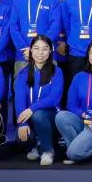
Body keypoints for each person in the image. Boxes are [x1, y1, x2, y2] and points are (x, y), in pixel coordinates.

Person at [12, 35, 63, 166]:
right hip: (30, 117)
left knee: (38, 115)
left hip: (52, 117)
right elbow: (19, 101)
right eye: (36, 48)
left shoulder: (57, 72)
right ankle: (36, 145)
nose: (40, 53)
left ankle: (48, 151)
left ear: (50, 51)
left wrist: (32, 109)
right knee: (21, 138)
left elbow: (54, 99)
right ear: (30, 50)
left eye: (44, 49)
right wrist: (22, 124)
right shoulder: (23, 74)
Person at [9, 0, 60, 75]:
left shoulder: (53, 0)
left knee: (48, 84)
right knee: (21, 84)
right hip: (23, 55)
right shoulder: (18, 1)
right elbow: (13, 27)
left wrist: (38, 49)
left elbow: (55, 27)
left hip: (46, 55)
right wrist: (24, 48)